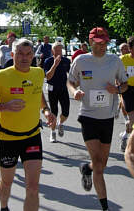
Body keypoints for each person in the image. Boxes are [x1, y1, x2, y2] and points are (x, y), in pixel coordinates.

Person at [0, 38, 55, 211]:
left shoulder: (38, 73)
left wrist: (46, 111)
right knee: (6, 183)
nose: (24, 58)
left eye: (28, 54)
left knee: (33, 187)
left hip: (32, 137)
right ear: (12, 54)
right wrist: (4, 106)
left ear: (33, 56)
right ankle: (4, 207)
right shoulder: (1, 76)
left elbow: (38, 94)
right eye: (20, 53)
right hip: (8, 138)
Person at [67, 27, 128, 211]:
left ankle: (87, 168)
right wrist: (75, 91)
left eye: (105, 43)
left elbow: (125, 85)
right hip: (87, 116)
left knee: (101, 163)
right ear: (91, 41)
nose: (102, 46)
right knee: (99, 166)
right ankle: (105, 206)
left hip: (107, 118)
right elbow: (70, 81)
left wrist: (117, 90)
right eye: (98, 43)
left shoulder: (114, 61)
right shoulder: (81, 60)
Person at [44, 41, 71, 142]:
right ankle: (53, 132)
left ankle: (60, 124)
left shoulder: (66, 61)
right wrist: (55, 64)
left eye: (60, 49)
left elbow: (71, 74)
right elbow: (48, 76)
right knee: (53, 112)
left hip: (63, 89)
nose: (59, 51)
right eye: (57, 49)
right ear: (52, 50)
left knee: (66, 112)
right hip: (52, 89)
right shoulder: (48, 61)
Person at [120, 36, 134, 152]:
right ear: (130, 48)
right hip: (127, 90)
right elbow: (116, 74)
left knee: (132, 121)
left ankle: (125, 136)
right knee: (131, 118)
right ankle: (126, 138)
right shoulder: (123, 59)